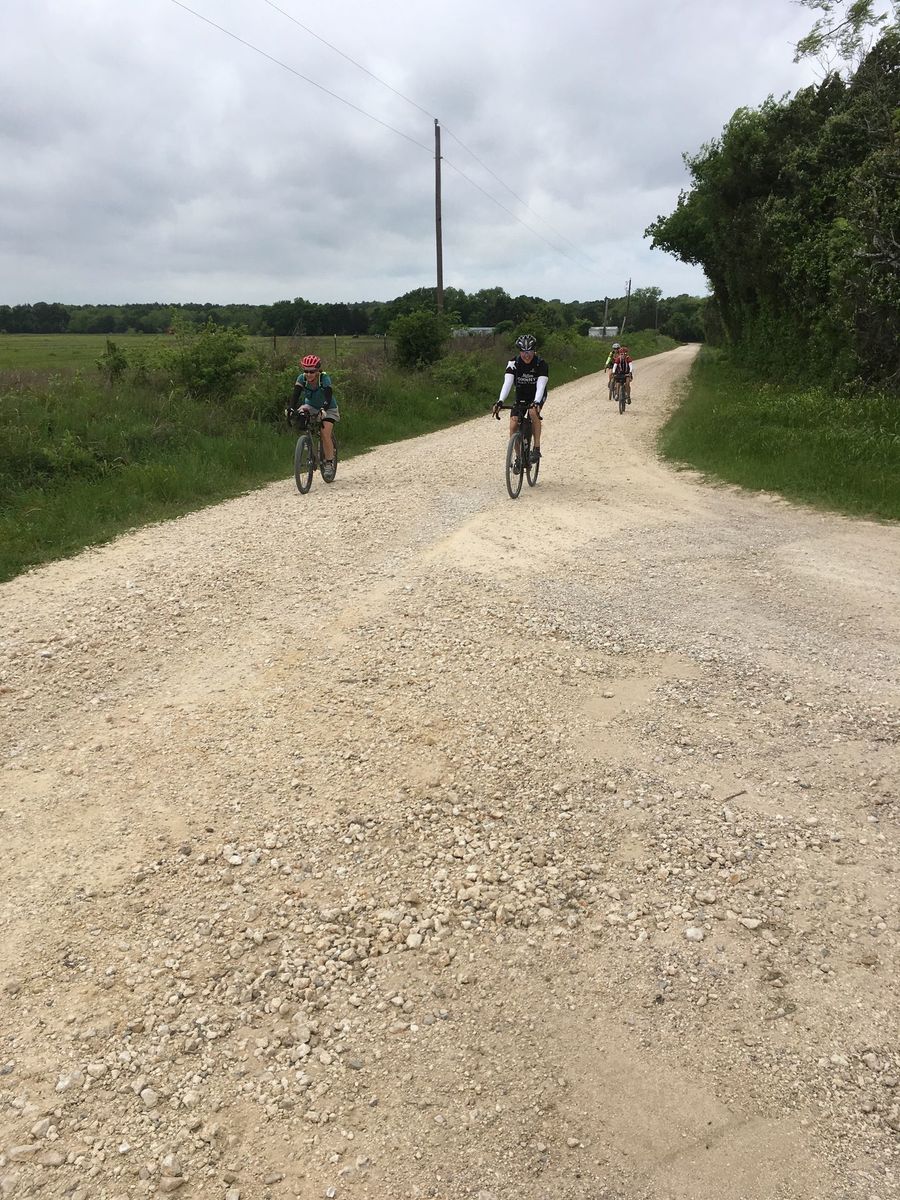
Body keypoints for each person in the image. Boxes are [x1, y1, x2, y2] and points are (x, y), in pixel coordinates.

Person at [491, 334, 549, 467]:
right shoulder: (514, 363)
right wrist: (500, 401)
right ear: (519, 351)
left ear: (534, 351)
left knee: (533, 413)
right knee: (513, 425)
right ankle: (519, 457)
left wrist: (537, 402)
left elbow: (541, 386)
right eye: (523, 352)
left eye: (529, 351)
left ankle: (536, 448)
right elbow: (507, 383)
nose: (526, 355)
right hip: (521, 395)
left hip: (536, 395)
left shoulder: (541, 364)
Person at [285, 354, 339, 469]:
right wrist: (291, 408)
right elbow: (295, 394)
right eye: (306, 371)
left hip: (328, 408)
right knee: (300, 416)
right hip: (310, 405)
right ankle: (307, 441)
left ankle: (329, 462)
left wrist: (324, 409)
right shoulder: (302, 378)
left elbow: (328, 396)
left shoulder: (324, 378)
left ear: (318, 370)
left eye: (312, 371)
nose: (309, 374)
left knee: (325, 433)